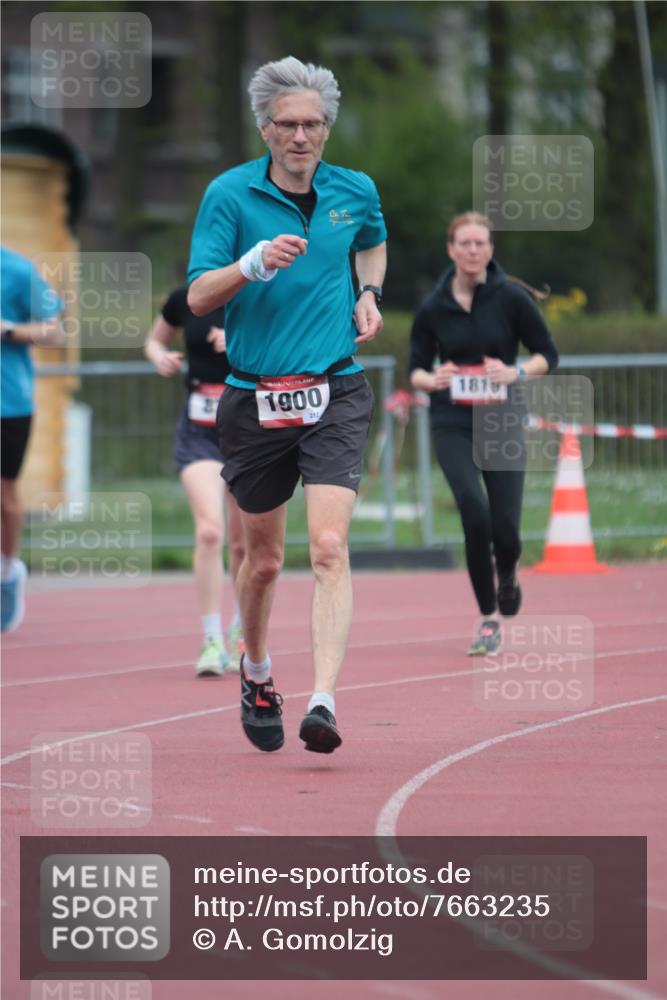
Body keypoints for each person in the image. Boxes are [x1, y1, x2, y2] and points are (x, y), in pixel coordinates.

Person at [187, 56, 387, 754]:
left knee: (329, 546)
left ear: (326, 129)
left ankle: (324, 702)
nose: (300, 137)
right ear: (265, 130)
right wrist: (251, 264)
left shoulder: (353, 189)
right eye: (287, 125)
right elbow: (196, 296)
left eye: (312, 124)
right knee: (264, 561)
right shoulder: (229, 195)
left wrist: (369, 293)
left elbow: (372, 242)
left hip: (334, 387)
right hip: (253, 397)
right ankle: (257, 667)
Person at [409, 212, 558, 656]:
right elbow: (414, 368)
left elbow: (548, 355)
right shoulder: (433, 307)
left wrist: (514, 371)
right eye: (465, 243)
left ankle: (508, 572)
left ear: (491, 250)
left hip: (502, 418)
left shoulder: (511, 298)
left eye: (480, 243)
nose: (473, 250)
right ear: (450, 249)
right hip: (452, 419)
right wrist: (432, 378)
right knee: (474, 513)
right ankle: (489, 618)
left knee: (506, 528)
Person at [145, 286, 245, 676]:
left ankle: (241, 626)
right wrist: (160, 356)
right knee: (209, 531)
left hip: (249, 428)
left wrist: (240, 340)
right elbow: (154, 340)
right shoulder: (185, 297)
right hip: (199, 431)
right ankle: (211, 639)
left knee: (243, 543)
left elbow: (288, 345)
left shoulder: (259, 289)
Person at [1, 245, 64, 633]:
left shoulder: (17, 270)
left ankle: (7, 572)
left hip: (8, 402)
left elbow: (54, 332)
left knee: (4, 497)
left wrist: (8, 329)